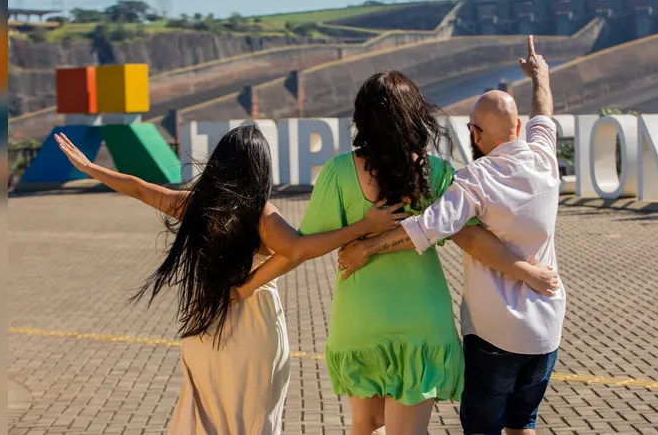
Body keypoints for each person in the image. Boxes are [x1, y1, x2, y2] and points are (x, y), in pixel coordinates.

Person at [234, 70, 558, 435]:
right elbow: (474, 241)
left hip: (361, 317)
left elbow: (298, 248)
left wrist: (245, 287)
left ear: (363, 119)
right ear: (416, 116)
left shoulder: (339, 172)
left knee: (366, 423)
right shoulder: (437, 173)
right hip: (424, 321)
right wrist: (527, 273)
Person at [53, 125, 410, 435]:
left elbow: (141, 189)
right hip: (253, 330)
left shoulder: (197, 205)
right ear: (260, 168)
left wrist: (90, 168)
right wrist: (365, 226)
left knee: (206, 419)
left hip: (203, 329)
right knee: (253, 420)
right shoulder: (262, 216)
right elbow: (298, 249)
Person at [338, 36, 566, 435]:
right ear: (518, 128)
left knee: (483, 428)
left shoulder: (474, 179)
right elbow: (543, 111)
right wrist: (539, 75)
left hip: (496, 333)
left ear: (474, 134)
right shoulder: (545, 159)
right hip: (547, 327)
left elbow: (427, 227)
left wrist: (368, 246)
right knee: (524, 423)